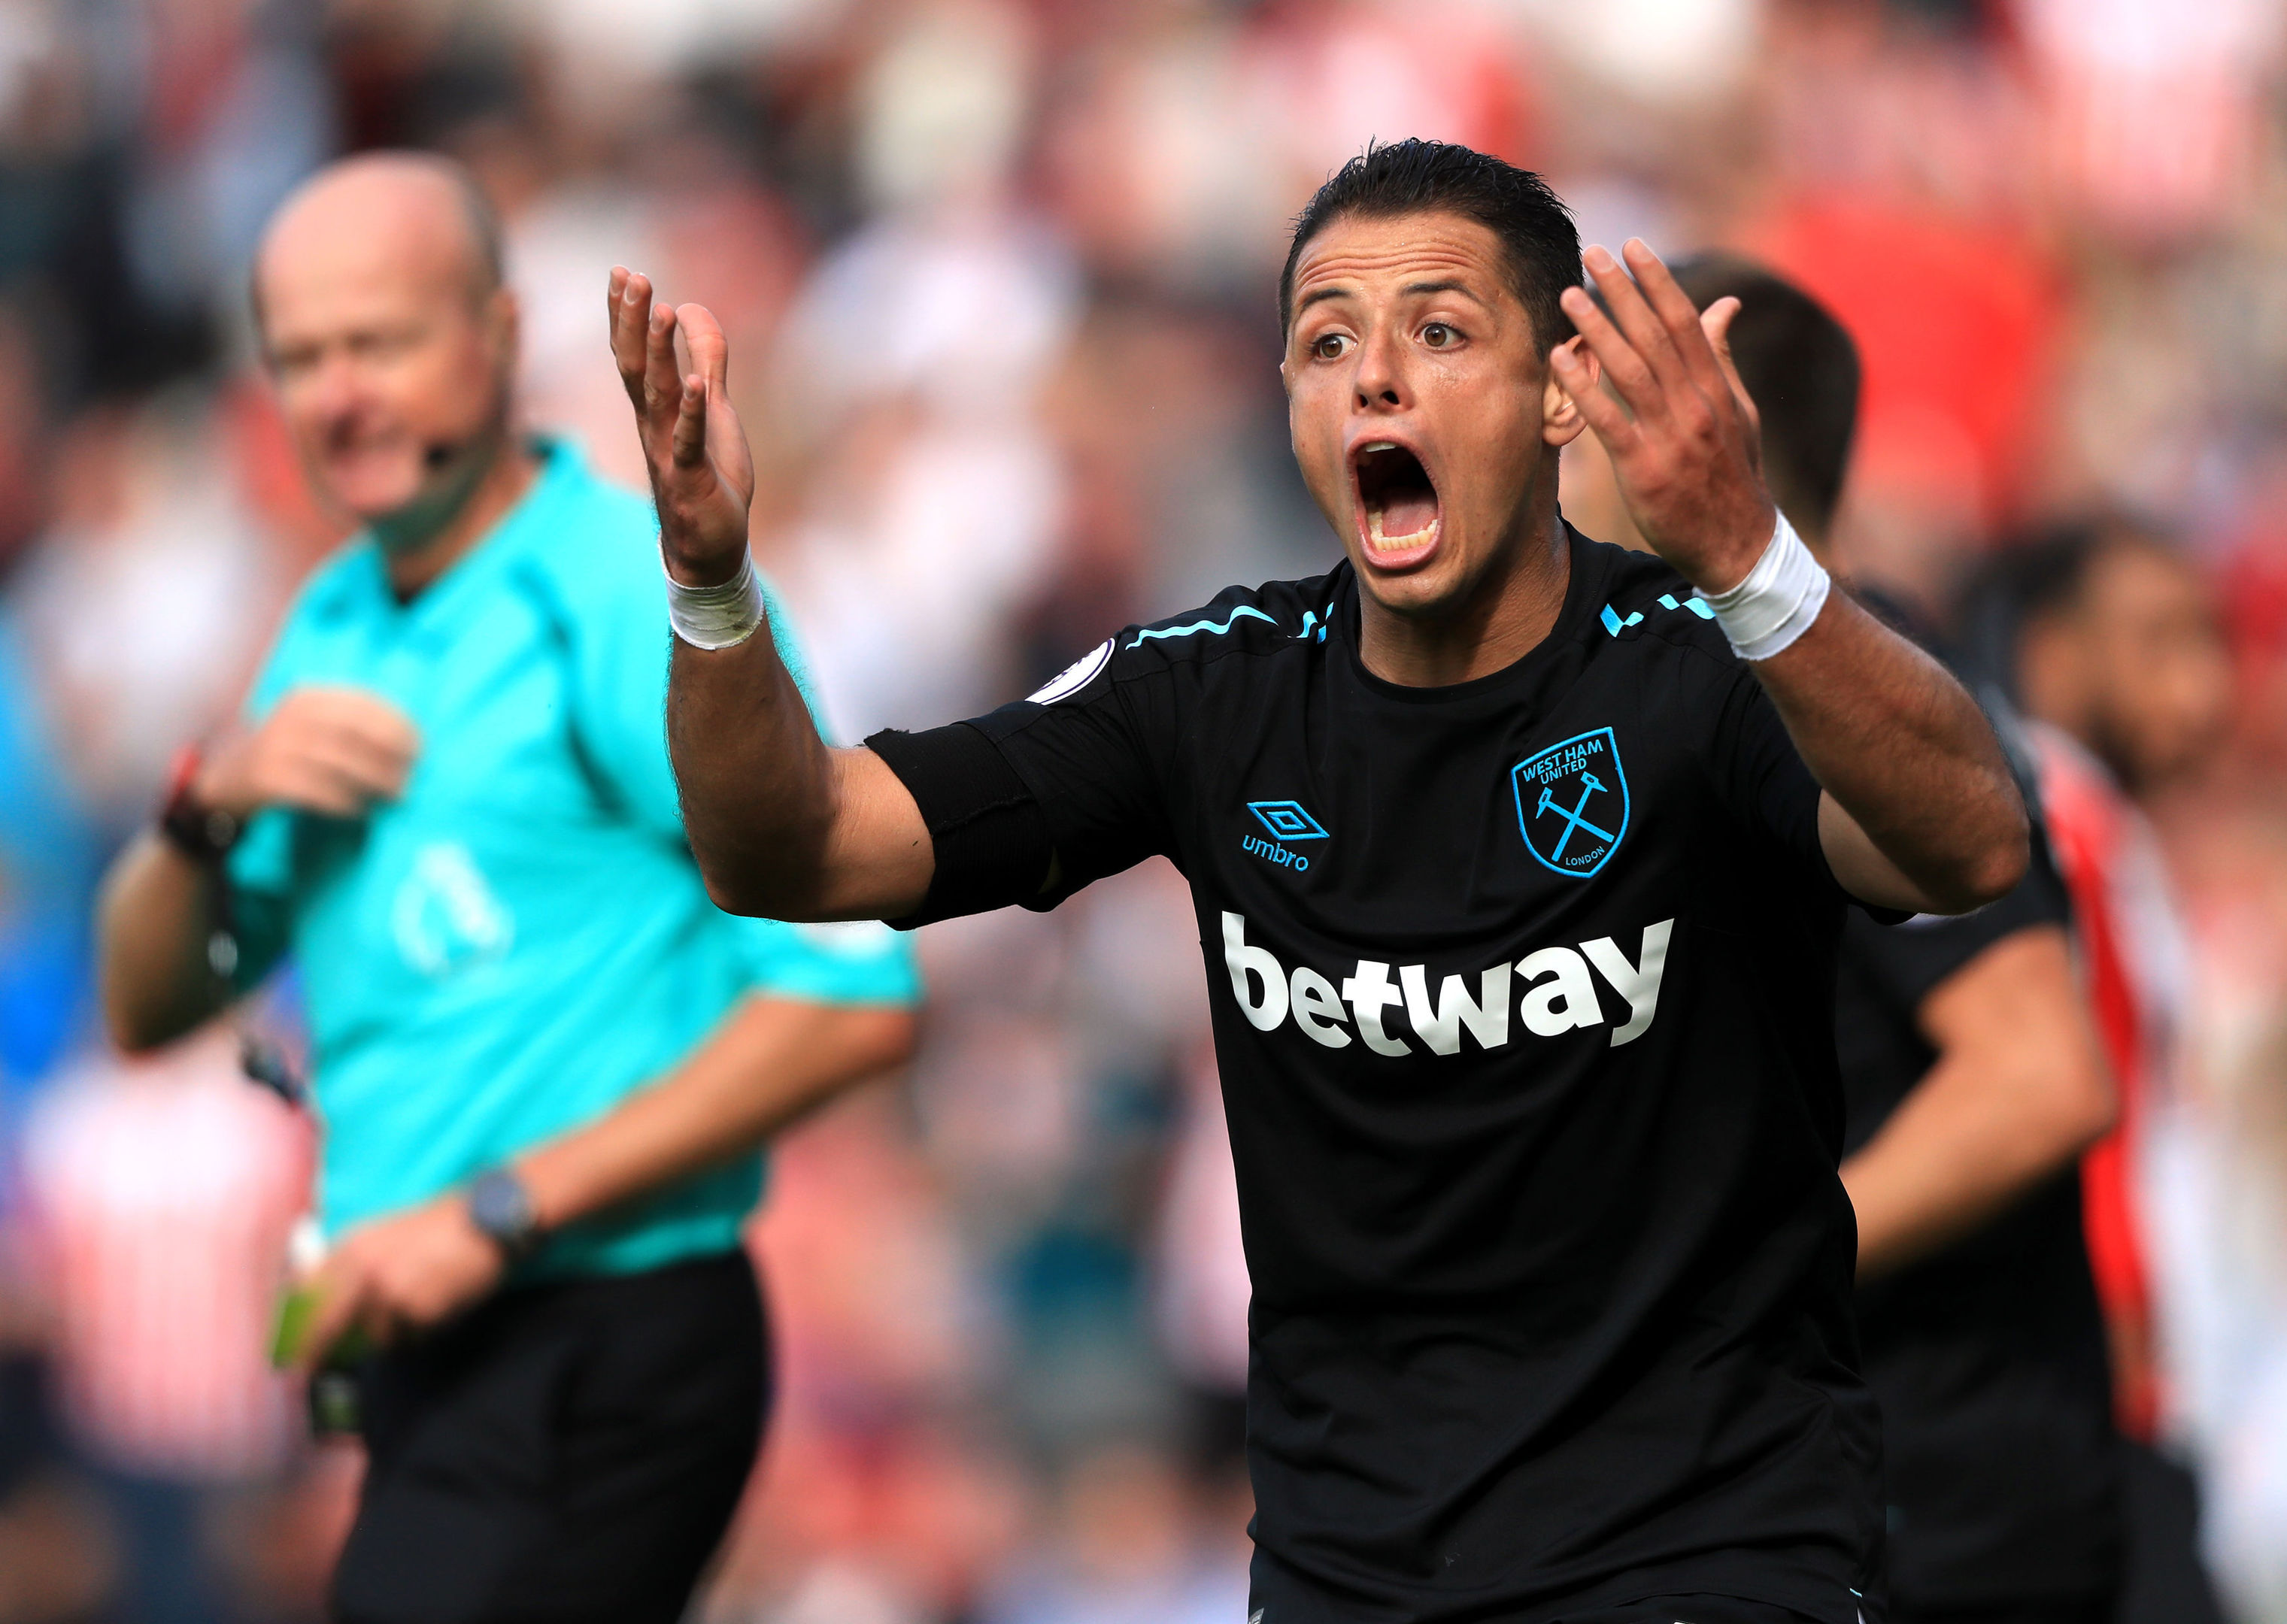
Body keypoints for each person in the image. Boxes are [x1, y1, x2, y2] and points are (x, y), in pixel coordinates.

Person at [617, 140, 2031, 1623]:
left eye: (1439, 332)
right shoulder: (1208, 692)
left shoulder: (1701, 661)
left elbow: (1971, 840)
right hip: (1352, 1576)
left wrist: (1749, 549)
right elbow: (794, 845)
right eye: (1327, 342)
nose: (1375, 379)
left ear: (1560, 393)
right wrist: (712, 587)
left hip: (1705, 1554)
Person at [94, 153, 922, 1624]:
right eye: (303, 356)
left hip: (603, 1336)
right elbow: (148, 1003)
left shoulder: (611, 585)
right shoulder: (334, 620)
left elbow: (852, 998)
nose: (341, 392)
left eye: (382, 339)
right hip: (439, 1368)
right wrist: (208, 807)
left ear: (495, 331)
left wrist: (491, 1210)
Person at [1648, 257, 2124, 1624]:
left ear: (1700, 420)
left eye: (1596, 398)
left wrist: (1733, 1278)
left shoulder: (1847, 689)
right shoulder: (1701, 686)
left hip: (1938, 1508)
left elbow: (2038, 1076)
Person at [1965, 522, 2234, 1624]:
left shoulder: (2099, 824)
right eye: (2159, 640)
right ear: (2058, 652)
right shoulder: (2051, 820)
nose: (2204, 684)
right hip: (2106, 1394)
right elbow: (2084, 1104)